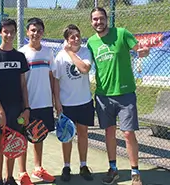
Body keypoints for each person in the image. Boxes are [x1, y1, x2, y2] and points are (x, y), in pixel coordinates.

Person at [87, 7, 150, 185]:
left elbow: (140, 49)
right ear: (91, 22)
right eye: (94, 20)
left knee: (128, 133)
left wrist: (144, 51)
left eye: (100, 19)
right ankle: (113, 169)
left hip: (125, 94)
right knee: (109, 132)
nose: (98, 22)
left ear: (107, 19)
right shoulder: (91, 42)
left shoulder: (122, 33)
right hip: (103, 96)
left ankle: (135, 171)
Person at [0, 18, 30, 185]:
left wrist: (26, 108)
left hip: (17, 108)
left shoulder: (20, 56)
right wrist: (0, 111)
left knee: (13, 141)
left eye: (12, 31)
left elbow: (23, 85)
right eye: (6, 31)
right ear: (0, 32)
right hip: (0, 109)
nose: (9, 35)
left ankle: (9, 177)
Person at [52, 24, 94, 182]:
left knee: (83, 134)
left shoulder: (85, 52)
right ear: (66, 40)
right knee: (67, 136)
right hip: (67, 104)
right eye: (72, 37)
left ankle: (83, 165)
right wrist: (57, 102)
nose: (76, 39)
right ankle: (67, 166)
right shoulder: (60, 57)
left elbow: (84, 68)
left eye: (78, 35)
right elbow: (56, 81)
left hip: (84, 101)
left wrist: (70, 51)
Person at [18, 17, 56, 184]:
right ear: (27, 32)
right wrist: (24, 105)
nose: (36, 33)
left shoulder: (48, 52)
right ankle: (22, 173)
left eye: (39, 30)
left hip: (45, 103)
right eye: (33, 30)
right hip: (27, 105)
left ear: (43, 32)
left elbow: (52, 77)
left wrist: (56, 101)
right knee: (24, 137)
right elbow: (20, 82)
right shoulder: (21, 53)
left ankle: (38, 169)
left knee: (39, 136)